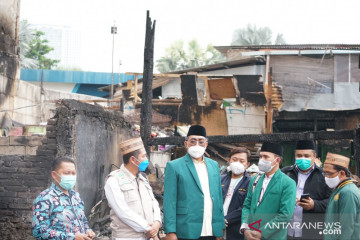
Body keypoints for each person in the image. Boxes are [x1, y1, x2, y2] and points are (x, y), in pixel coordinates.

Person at [163, 125, 225, 240]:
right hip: (186, 230)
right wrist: (170, 231)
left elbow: (218, 197)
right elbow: (169, 201)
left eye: (201, 142)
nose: (197, 145)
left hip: (211, 230)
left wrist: (220, 227)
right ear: (186, 144)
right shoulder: (174, 166)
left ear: (206, 144)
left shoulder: (214, 165)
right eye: (193, 141)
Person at [104, 137, 162, 240]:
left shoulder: (143, 178)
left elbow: (154, 203)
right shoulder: (114, 180)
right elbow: (122, 211)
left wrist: (157, 222)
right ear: (133, 160)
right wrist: (147, 228)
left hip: (148, 236)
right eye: (143, 156)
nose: (146, 160)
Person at [240, 142, 297, 240]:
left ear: (277, 160)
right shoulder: (255, 179)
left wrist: (262, 232)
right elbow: (247, 205)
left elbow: (285, 215)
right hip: (250, 236)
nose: (262, 160)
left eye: (266, 157)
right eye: (261, 156)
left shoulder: (288, 183)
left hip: (272, 236)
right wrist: (245, 228)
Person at [32, 157, 95, 240]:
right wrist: (72, 237)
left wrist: (88, 230)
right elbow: (39, 231)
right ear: (54, 175)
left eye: (73, 173)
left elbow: (83, 221)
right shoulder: (45, 199)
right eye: (66, 173)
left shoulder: (76, 196)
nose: (71, 176)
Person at [282, 140, 332, 239]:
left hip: (311, 232)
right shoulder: (285, 173)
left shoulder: (324, 176)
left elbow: (332, 202)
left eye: (307, 156)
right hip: (286, 232)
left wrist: (315, 205)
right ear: (294, 156)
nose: (302, 159)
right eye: (299, 156)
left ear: (314, 156)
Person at [323, 152, 360, 240]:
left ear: (342, 173)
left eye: (329, 173)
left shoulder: (348, 192)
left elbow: (346, 228)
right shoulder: (340, 189)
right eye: (325, 173)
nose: (326, 177)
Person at [221, 147, 251, 240]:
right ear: (229, 161)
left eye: (242, 161)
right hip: (216, 225)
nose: (238, 163)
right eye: (234, 160)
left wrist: (227, 219)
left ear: (247, 164)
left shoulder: (251, 182)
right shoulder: (220, 179)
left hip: (235, 227)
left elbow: (247, 206)